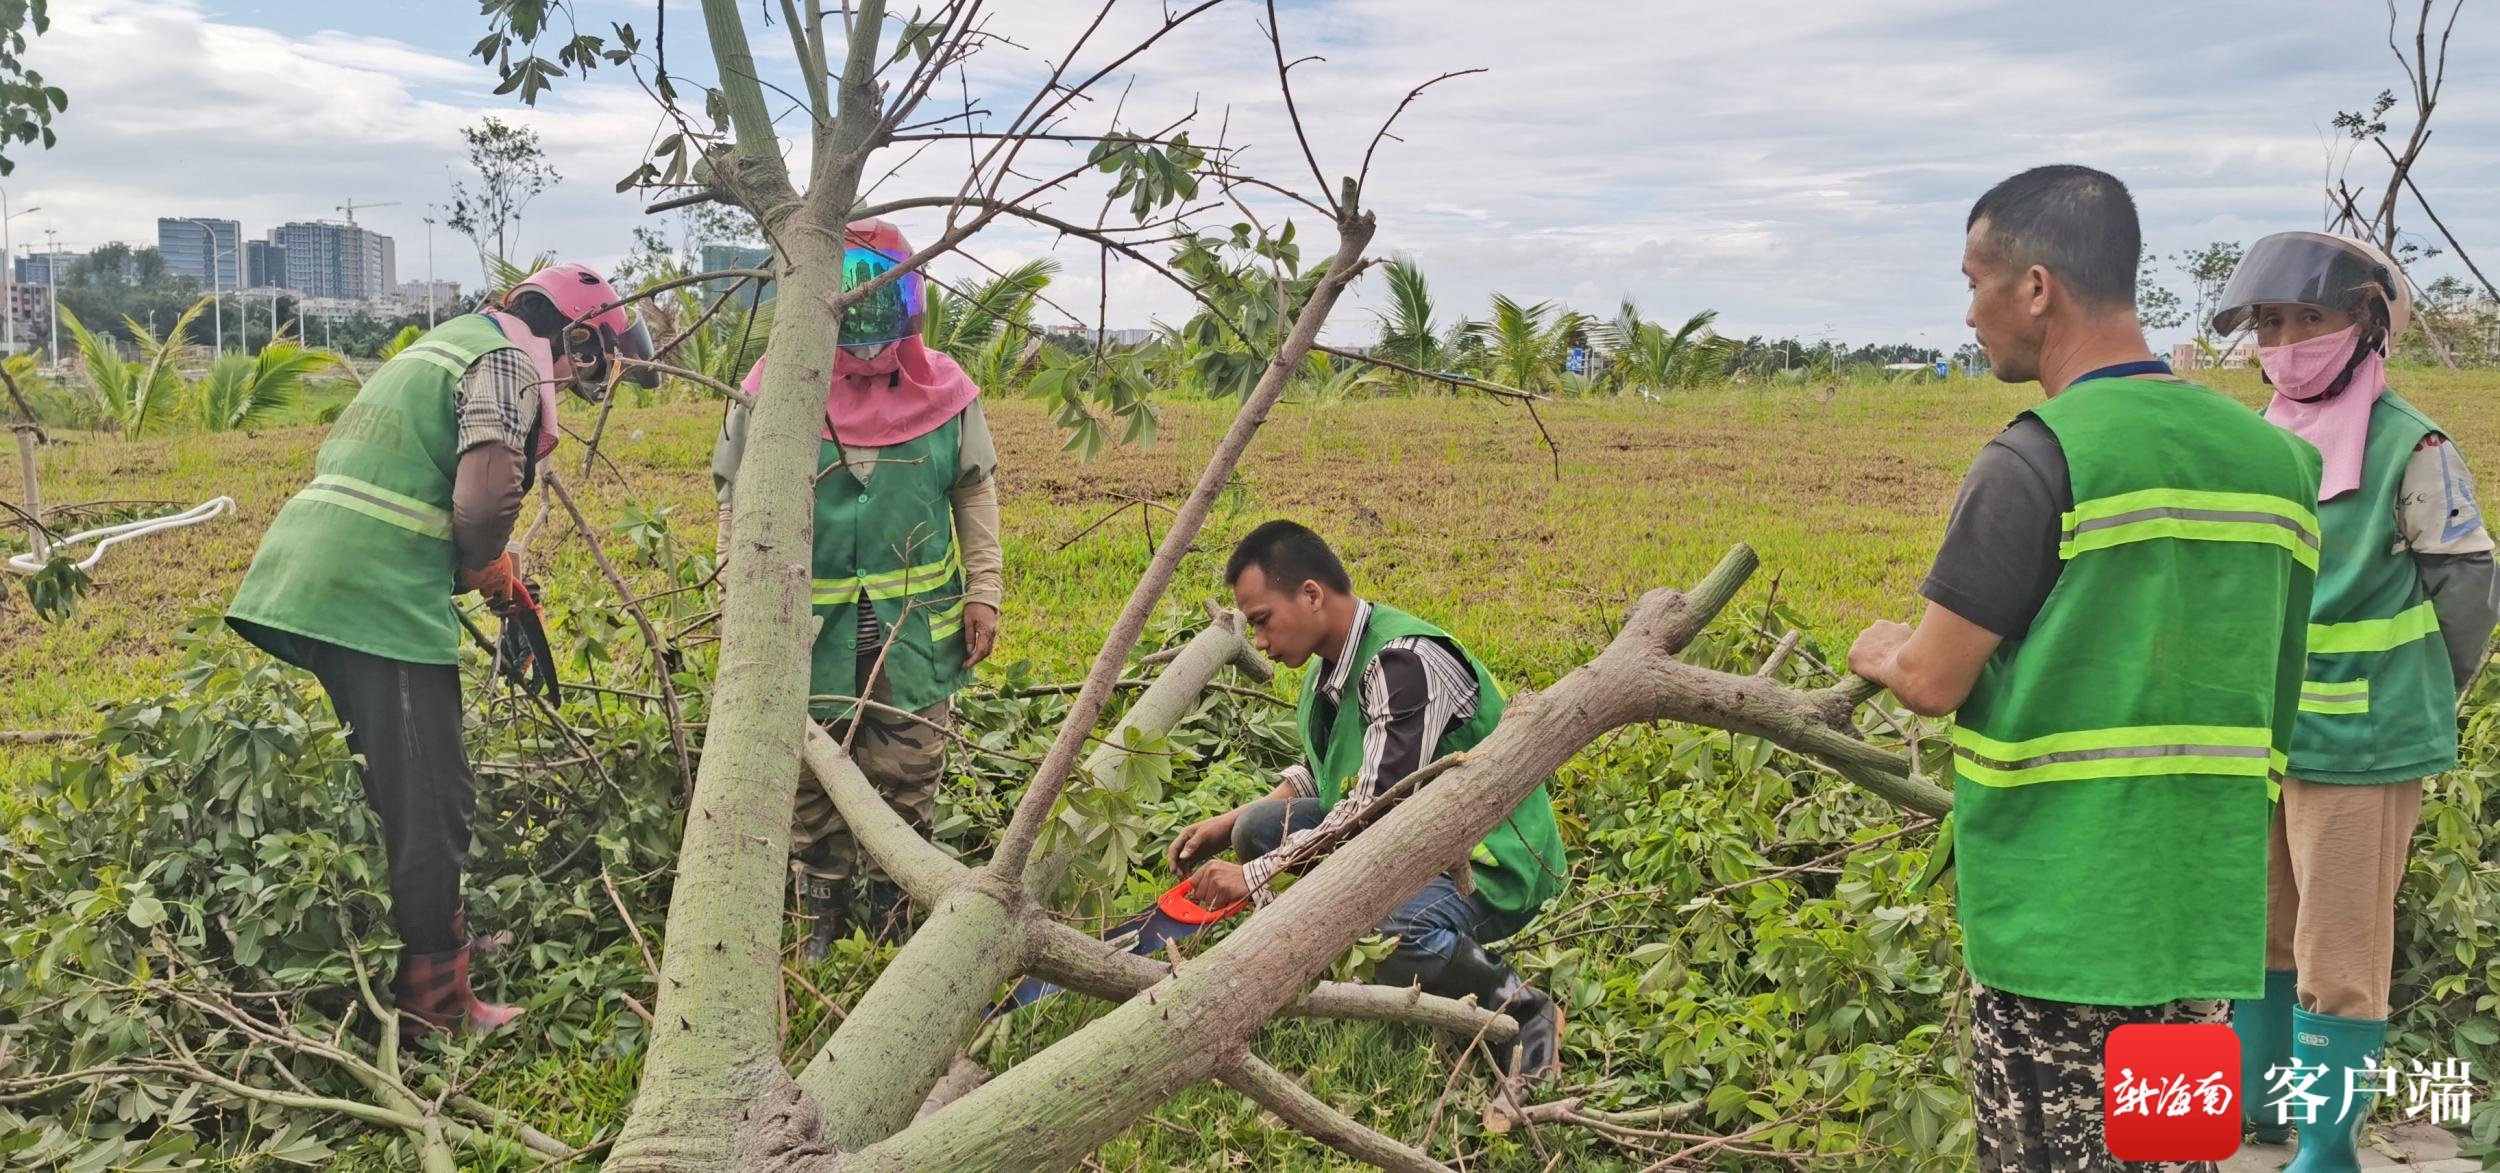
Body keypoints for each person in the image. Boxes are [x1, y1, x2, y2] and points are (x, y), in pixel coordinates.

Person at [1845, 165, 2321, 1172]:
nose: (1968, 311)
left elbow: (1933, 679)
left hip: (2062, 919)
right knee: (2173, 1153)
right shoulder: (2275, 463)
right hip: (2198, 906)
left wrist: (1879, 646)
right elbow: (2279, 682)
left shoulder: (2035, 457)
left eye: (1973, 281)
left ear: (2034, 287)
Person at [226, 264, 657, 1034]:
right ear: (580, 339)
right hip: (372, 588)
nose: (591, 379)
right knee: (433, 794)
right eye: (598, 361)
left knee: (399, 779)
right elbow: (486, 496)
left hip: (320, 570)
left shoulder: (452, 342)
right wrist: (487, 556)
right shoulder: (511, 361)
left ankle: (428, 937)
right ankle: (436, 1000)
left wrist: (486, 570)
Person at [2212, 232, 2497, 1170]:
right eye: (2270, 321)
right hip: (2268, 738)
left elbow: (2467, 590)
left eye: (2310, 318)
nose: (2286, 339)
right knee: (2261, 931)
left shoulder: (2413, 448)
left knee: (2340, 959)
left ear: (2367, 324)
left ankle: (2326, 1148)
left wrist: (2422, 697)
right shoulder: (2259, 438)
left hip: (2363, 745)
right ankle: (2260, 1109)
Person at [1166, 520, 1569, 1078]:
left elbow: (1370, 809)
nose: (1257, 642)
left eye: (1262, 621)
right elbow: (1326, 771)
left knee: (1390, 931)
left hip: (1488, 859)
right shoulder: (1326, 665)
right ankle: (1347, 944)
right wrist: (1227, 823)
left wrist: (1254, 875)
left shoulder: (1405, 663)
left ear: (1311, 594)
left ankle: (1524, 1008)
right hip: (1413, 833)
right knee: (1259, 828)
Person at [710, 218, 1003, 957]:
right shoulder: (775, 392)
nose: (869, 327)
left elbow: (975, 492)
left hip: (915, 634)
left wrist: (985, 589)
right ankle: (820, 916)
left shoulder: (950, 393)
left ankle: (897, 908)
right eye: (853, 303)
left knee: (907, 768)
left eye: (884, 301)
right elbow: (735, 502)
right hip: (806, 635)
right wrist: (737, 606)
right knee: (810, 776)